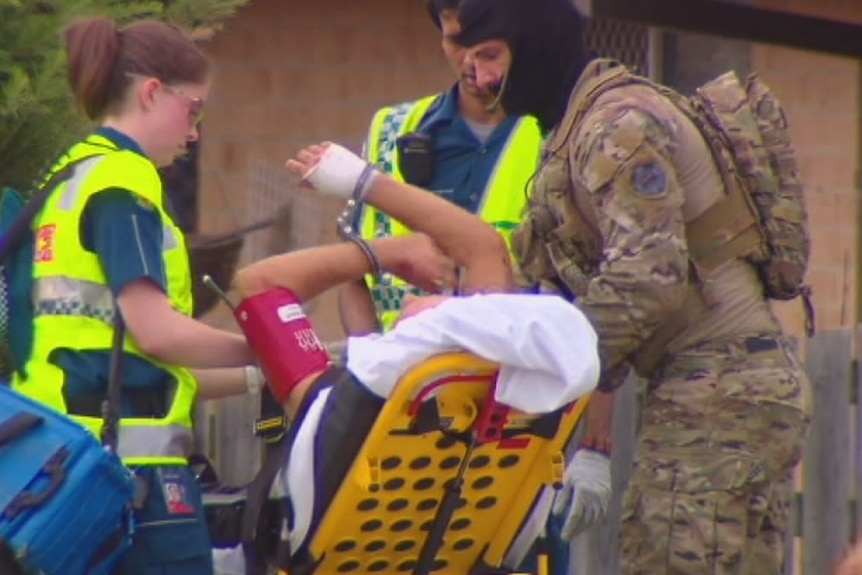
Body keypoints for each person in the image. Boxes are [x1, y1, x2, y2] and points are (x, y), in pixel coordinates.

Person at [399, 1, 810, 574]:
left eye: (491, 55)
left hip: (718, 395)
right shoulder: (573, 127)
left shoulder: (615, 125)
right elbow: (546, 278)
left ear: (536, 39)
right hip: (721, 391)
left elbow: (649, 278)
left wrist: (541, 355)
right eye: (467, 57)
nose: (481, 78)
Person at [230, 141, 601, 573]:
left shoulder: (356, 388)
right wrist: (360, 182)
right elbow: (483, 247)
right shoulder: (507, 379)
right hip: (461, 550)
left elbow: (256, 285)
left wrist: (388, 254)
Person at [8, 16, 265, 575]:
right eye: (193, 110)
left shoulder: (67, 178)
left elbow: (123, 353)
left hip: (58, 470)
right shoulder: (125, 181)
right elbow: (157, 332)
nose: (195, 133)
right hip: (136, 481)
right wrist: (269, 348)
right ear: (153, 92)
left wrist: (262, 374)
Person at [340, 0, 543, 335]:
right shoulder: (391, 129)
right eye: (457, 41)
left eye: (486, 45)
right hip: (403, 377)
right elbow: (358, 279)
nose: (469, 60)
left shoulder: (560, 134)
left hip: (514, 374)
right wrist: (366, 363)